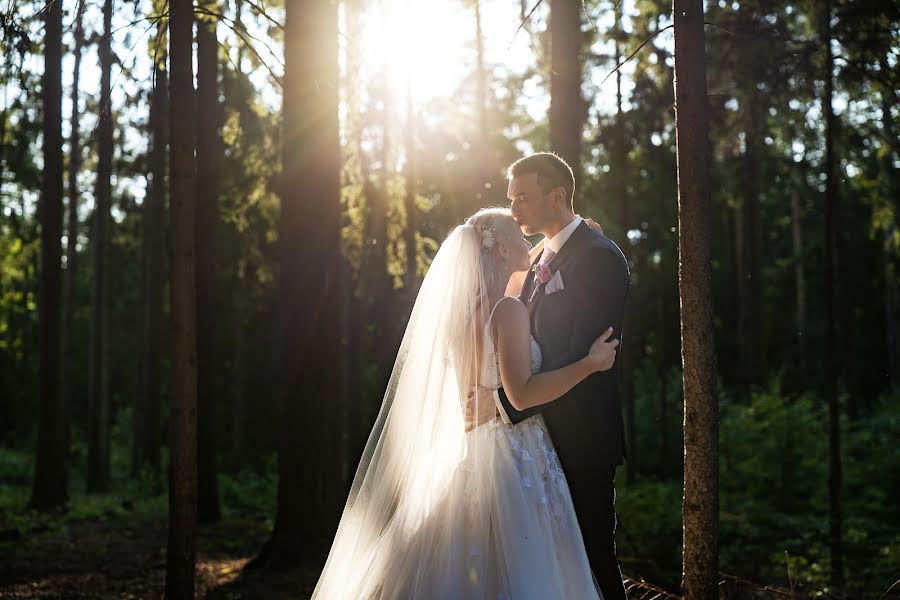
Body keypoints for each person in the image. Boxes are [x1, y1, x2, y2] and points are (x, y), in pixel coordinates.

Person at [311, 205, 619, 599]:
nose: (529, 241)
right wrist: (589, 365)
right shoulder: (507, 311)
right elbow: (522, 394)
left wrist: (575, 233)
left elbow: (479, 392)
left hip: (473, 448)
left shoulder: (463, 315)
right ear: (502, 253)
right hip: (516, 453)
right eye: (519, 237)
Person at [469, 152, 630, 600]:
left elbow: (580, 352)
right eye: (511, 199)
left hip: (580, 437)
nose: (513, 209)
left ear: (557, 197)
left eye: (522, 198)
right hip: (537, 441)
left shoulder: (596, 258)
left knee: (594, 560)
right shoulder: (544, 256)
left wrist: (502, 403)